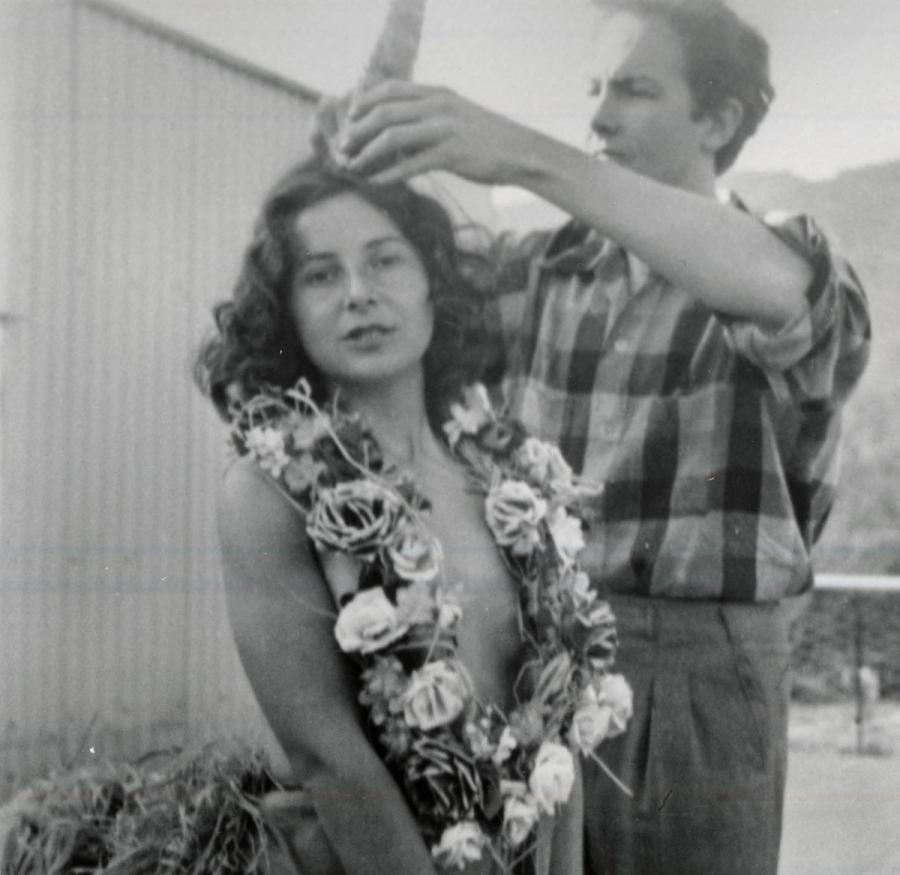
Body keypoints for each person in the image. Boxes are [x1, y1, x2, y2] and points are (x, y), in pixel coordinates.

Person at [329, 0, 872, 872]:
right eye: (593, 88)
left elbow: (785, 293)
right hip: (531, 655)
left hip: (696, 678)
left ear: (720, 119)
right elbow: (371, 301)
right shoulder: (543, 269)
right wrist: (365, 144)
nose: (598, 116)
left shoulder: (772, 257)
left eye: (635, 89)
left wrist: (522, 154)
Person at [194, 158, 585, 875]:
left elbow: (556, 713)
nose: (358, 295)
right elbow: (327, 755)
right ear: (286, 311)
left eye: (384, 261)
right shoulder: (268, 489)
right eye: (320, 275)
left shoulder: (509, 474)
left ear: (434, 283)